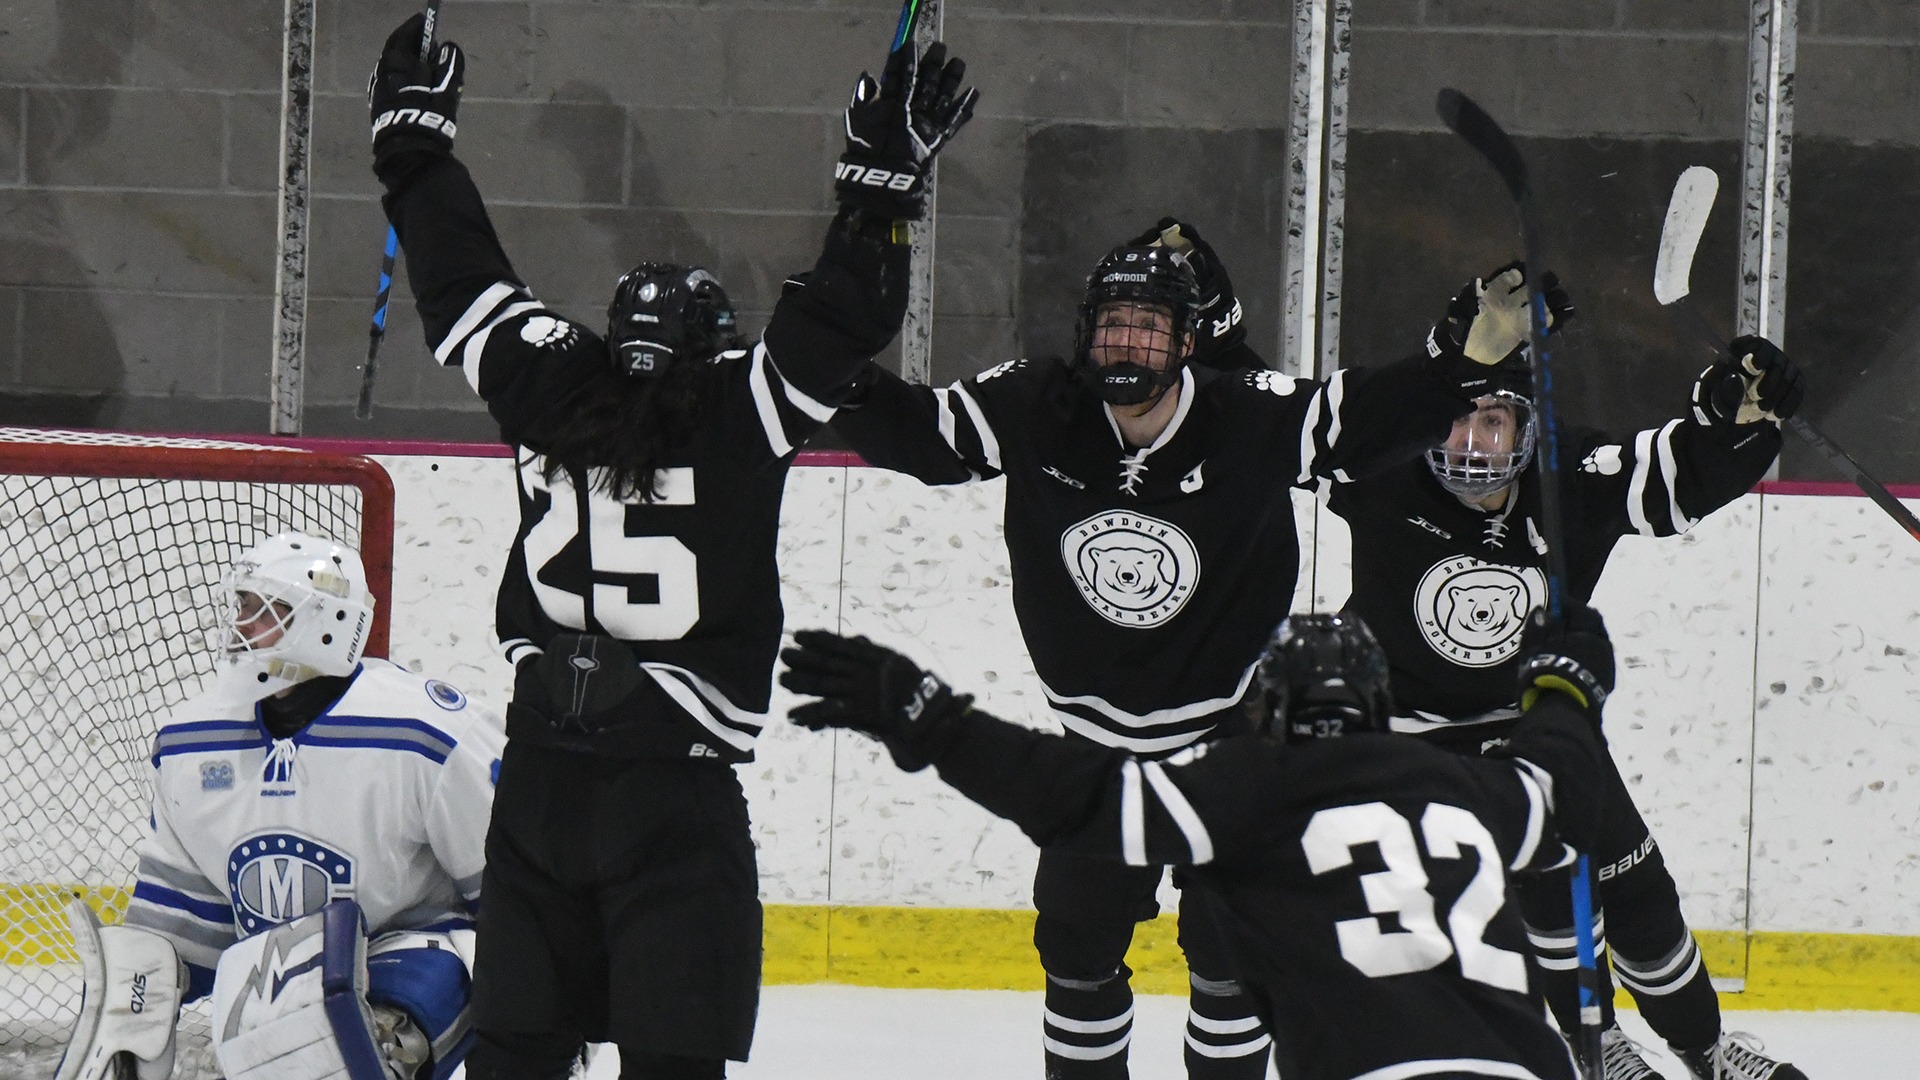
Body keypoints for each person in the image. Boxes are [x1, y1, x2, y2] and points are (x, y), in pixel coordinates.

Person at [366, 14, 977, 1079]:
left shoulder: (549, 382)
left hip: (541, 793)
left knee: (516, 1052)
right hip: (672, 802)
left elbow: (460, 285)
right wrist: (879, 198)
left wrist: (413, 153)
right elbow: (839, 324)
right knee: (673, 1062)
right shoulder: (738, 412)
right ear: (711, 355)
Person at [826, 217, 1525, 1080]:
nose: (1126, 342)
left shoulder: (1245, 415)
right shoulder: (1039, 403)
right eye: (1113, 323)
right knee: (1077, 963)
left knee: (1233, 969)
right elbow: (923, 438)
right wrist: (824, 362)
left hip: (1231, 752)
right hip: (1097, 756)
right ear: (1086, 333)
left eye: (1149, 326)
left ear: (1190, 342)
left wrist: (1464, 368)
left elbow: (1359, 420)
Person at [777, 605, 1619, 1080]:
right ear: (1376, 706)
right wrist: (1563, 686)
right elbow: (1564, 779)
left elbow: (1078, 796)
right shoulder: (1470, 786)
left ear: (1272, 710)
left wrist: (932, 720)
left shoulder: (1249, 783)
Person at [1321, 266, 1810, 1080]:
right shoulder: (1383, 467)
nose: (1472, 444)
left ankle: (1705, 1050)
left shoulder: (1569, 476)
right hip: (1411, 746)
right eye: (1456, 420)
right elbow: (1283, 419)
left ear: (1530, 430)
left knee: (1642, 892)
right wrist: (1451, 348)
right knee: (1554, 900)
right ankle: (1601, 1046)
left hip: (1542, 728)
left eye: (1493, 423)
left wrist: (1735, 420)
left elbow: (1676, 477)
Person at [58, 531, 504, 1080]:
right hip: (273, 979)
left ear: (326, 620)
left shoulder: (426, 732)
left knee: (346, 1034)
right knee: (193, 992)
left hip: (415, 963)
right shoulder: (191, 743)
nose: (240, 625)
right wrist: (137, 992)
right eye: (240, 606)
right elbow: (184, 921)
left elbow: (514, 895)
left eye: (260, 608)